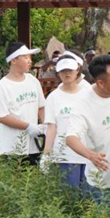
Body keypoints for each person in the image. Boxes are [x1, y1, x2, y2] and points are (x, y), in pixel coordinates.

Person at [66, 54, 110, 213]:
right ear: (100, 83)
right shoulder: (83, 104)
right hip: (101, 176)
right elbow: (70, 138)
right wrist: (91, 155)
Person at [40, 54, 91, 188]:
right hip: (64, 155)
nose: (67, 73)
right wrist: (47, 153)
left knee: (88, 199)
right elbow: (51, 127)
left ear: (77, 70)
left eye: (70, 70)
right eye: (63, 70)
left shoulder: (88, 94)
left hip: (87, 153)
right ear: (58, 72)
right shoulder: (53, 97)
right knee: (69, 196)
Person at [0, 42, 46, 166]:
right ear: (14, 60)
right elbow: (2, 117)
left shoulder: (33, 81)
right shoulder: (3, 86)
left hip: (33, 146)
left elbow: (41, 106)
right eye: (26, 57)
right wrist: (28, 126)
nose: (30, 61)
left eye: (30, 58)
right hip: (11, 148)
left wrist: (46, 126)